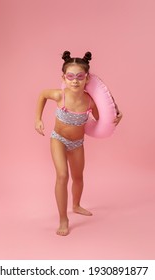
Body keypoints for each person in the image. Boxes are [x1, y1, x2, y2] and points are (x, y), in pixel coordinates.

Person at [35, 51, 122, 236]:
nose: (75, 81)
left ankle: (76, 205)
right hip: (58, 139)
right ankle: (63, 219)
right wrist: (38, 119)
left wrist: (116, 117)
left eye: (80, 77)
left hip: (77, 143)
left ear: (87, 78)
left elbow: (102, 120)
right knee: (62, 176)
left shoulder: (89, 101)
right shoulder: (60, 95)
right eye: (70, 76)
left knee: (78, 177)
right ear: (64, 78)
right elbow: (42, 95)